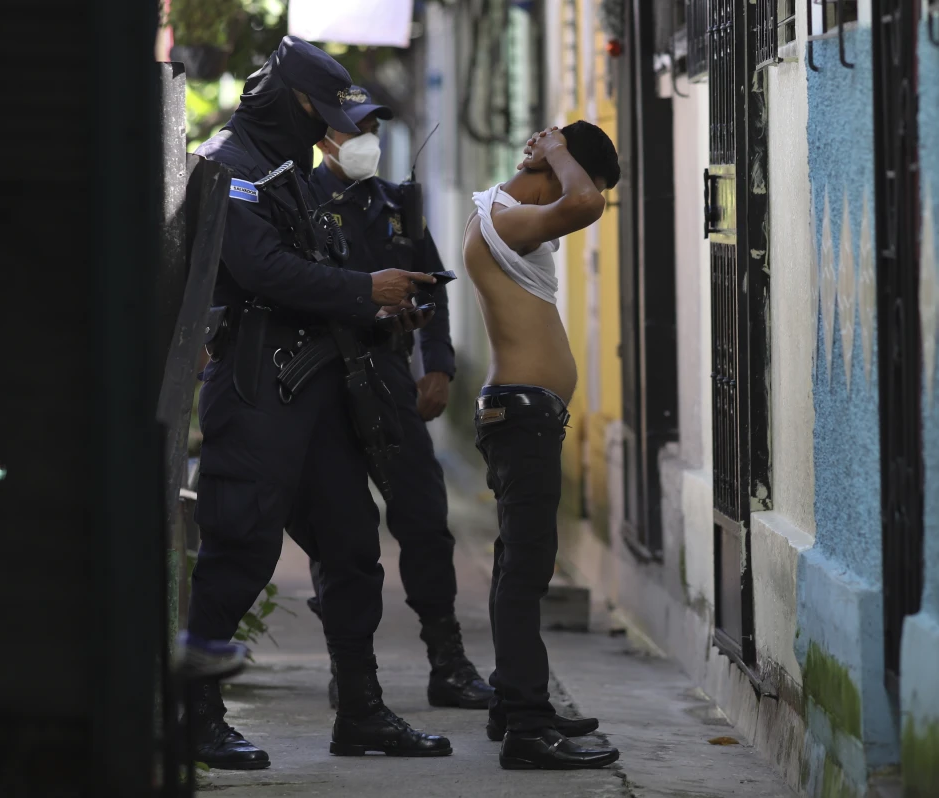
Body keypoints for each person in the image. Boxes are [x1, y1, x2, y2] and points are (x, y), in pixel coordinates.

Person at [188, 36, 450, 769]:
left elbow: (318, 259)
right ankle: (197, 716)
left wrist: (387, 302)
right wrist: (365, 291)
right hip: (256, 385)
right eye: (328, 114)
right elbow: (259, 267)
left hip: (321, 385)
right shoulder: (228, 163)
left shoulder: (289, 171)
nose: (336, 130)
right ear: (293, 102)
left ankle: (361, 711)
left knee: (352, 547)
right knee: (239, 546)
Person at [301, 85, 494, 713]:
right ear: (327, 137)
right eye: (356, 129)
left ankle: (449, 662)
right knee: (342, 534)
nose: (368, 142)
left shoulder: (398, 205)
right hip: (325, 384)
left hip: (388, 382)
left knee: (425, 524)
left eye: (373, 128)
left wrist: (436, 366)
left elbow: (432, 288)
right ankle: (352, 671)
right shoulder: (300, 201)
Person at [462, 121, 622, 770]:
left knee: (517, 565)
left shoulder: (506, 213)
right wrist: (558, 153)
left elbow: (581, 198)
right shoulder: (508, 217)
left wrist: (557, 159)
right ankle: (528, 726)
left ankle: (514, 703)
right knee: (527, 571)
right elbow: (586, 202)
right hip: (523, 415)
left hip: (525, 413)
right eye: (580, 172)